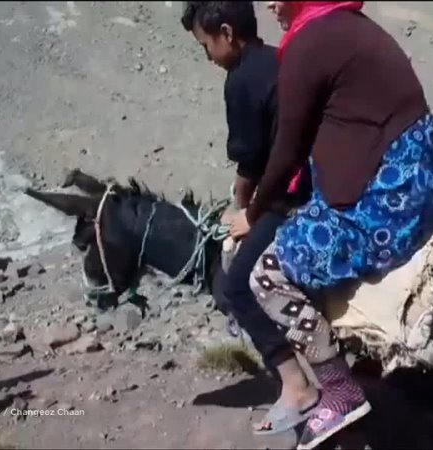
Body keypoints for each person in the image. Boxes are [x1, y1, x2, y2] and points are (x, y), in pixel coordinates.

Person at [238, 2, 433, 449]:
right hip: (424, 179)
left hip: (391, 198)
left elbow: (287, 151)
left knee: (266, 274)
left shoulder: (308, 43)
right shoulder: (346, 25)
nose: (272, 6)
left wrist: (253, 212)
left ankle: (338, 392)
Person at [180, 1, 316, 435]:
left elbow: (248, 165)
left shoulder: (240, 80)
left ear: (226, 33)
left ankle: (296, 385)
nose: (207, 56)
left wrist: (245, 212)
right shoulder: (279, 56)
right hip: (320, 179)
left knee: (237, 285)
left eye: (206, 46)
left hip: (288, 198)